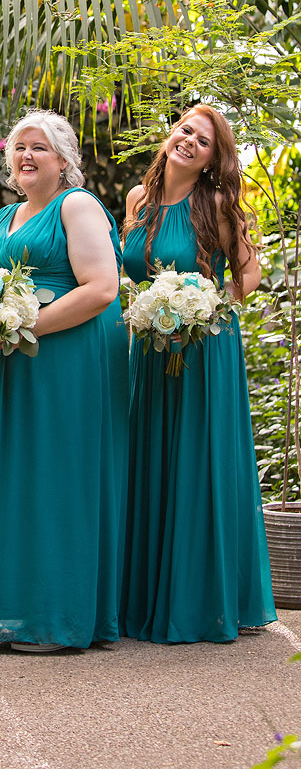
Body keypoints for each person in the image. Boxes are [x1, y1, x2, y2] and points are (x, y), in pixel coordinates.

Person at [0, 110, 126, 652]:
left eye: (40, 148)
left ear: (64, 162)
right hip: (11, 363)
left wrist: (21, 323)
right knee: (18, 480)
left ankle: (56, 618)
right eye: (19, 148)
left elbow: (103, 287)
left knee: (57, 480)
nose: (27, 156)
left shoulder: (75, 205)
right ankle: (12, 613)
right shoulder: (3, 216)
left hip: (62, 361)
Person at [121, 104, 275, 643]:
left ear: (213, 159)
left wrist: (209, 306)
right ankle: (144, 595)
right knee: (150, 459)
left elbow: (251, 271)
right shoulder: (137, 200)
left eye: (203, 140)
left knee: (199, 461)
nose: (189, 141)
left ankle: (203, 598)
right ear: (172, 133)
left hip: (205, 349)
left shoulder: (217, 204)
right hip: (149, 348)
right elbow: (127, 272)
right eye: (185, 128)